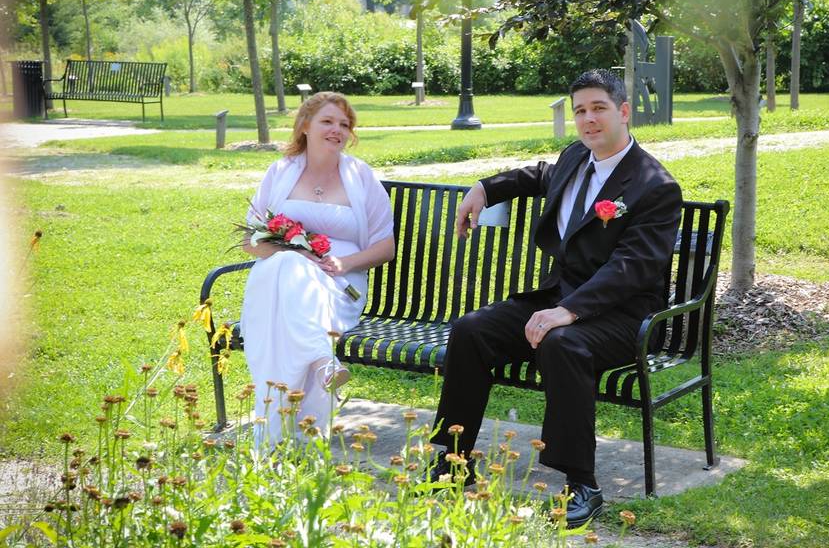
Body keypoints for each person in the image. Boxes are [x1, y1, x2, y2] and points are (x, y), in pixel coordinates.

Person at [429, 69, 682, 527]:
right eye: (580, 110)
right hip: (557, 298)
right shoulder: (574, 157)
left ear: (624, 112)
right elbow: (538, 174)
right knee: (470, 330)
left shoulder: (654, 185)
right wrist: (486, 187)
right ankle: (453, 460)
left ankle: (581, 482)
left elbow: (633, 268)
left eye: (599, 108)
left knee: (562, 344)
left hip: (623, 316)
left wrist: (568, 312)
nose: (588, 120)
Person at [241, 92, 395, 447]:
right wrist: (292, 254)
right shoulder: (280, 172)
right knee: (288, 268)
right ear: (305, 126)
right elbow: (251, 240)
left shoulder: (361, 177)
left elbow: (385, 248)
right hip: (279, 281)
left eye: (344, 124)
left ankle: (276, 434)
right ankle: (321, 360)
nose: (336, 130)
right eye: (327, 121)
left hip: (338, 283)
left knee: (284, 302)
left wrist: (345, 262)